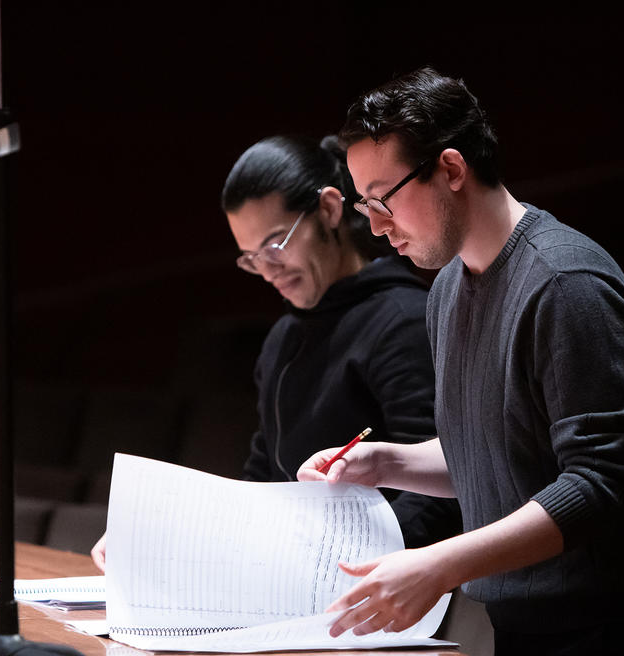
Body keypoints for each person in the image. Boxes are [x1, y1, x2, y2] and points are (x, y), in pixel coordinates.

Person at [297, 68, 624, 656]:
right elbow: (502, 454)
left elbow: (602, 484)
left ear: (452, 169)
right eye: (363, 206)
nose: (376, 227)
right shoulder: (445, 292)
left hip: (619, 637)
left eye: (384, 199)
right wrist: (388, 463)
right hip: (527, 629)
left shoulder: (564, 282)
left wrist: (441, 564)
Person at [91, 134, 461, 571]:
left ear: (328, 209)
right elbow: (264, 478)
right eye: (251, 258)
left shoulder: (402, 321)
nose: (266, 271)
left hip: (376, 594)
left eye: (274, 246)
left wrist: (340, 572)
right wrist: (163, 530)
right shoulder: (284, 337)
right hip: (304, 583)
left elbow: (441, 494)